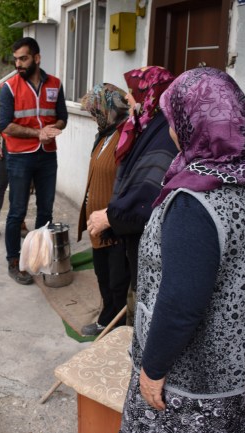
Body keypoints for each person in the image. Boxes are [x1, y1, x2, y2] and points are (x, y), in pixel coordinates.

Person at [119, 67, 245, 432]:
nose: (171, 131)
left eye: (174, 121)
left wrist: (153, 368)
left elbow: (180, 303)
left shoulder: (196, 201)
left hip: (199, 381)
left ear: (196, 125)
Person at [87, 66, 177, 325]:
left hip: (134, 230)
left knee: (129, 293)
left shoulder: (163, 134)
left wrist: (113, 215)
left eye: (132, 91)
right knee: (116, 284)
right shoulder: (144, 127)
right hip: (122, 226)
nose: (128, 99)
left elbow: (148, 191)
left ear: (150, 93)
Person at [0, 37, 68, 284]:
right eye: (16, 59)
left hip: (47, 155)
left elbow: (62, 117)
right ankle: (14, 261)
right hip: (19, 157)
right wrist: (36, 133)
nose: (18, 63)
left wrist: (54, 128)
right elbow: (5, 125)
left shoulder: (56, 85)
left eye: (23, 58)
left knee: (46, 210)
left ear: (37, 58)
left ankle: (39, 257)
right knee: (17, 211)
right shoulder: (9, 87)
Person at [77, 84, 132, 336]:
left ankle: (115, 326)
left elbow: (126, 181)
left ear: (110, 110)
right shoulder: (104, 133)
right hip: (97, 221)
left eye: (95, 110)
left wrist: (112, 215)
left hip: (114, 223)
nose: (92, 116)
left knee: (117, 280)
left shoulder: (125, 136)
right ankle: (107, 318)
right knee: (102, 274)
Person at [0, 86, 29, 243]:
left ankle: (19, 223)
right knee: (0, 186)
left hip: (25, 147)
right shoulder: (4, 90)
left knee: (21, 187)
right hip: (8, 146)